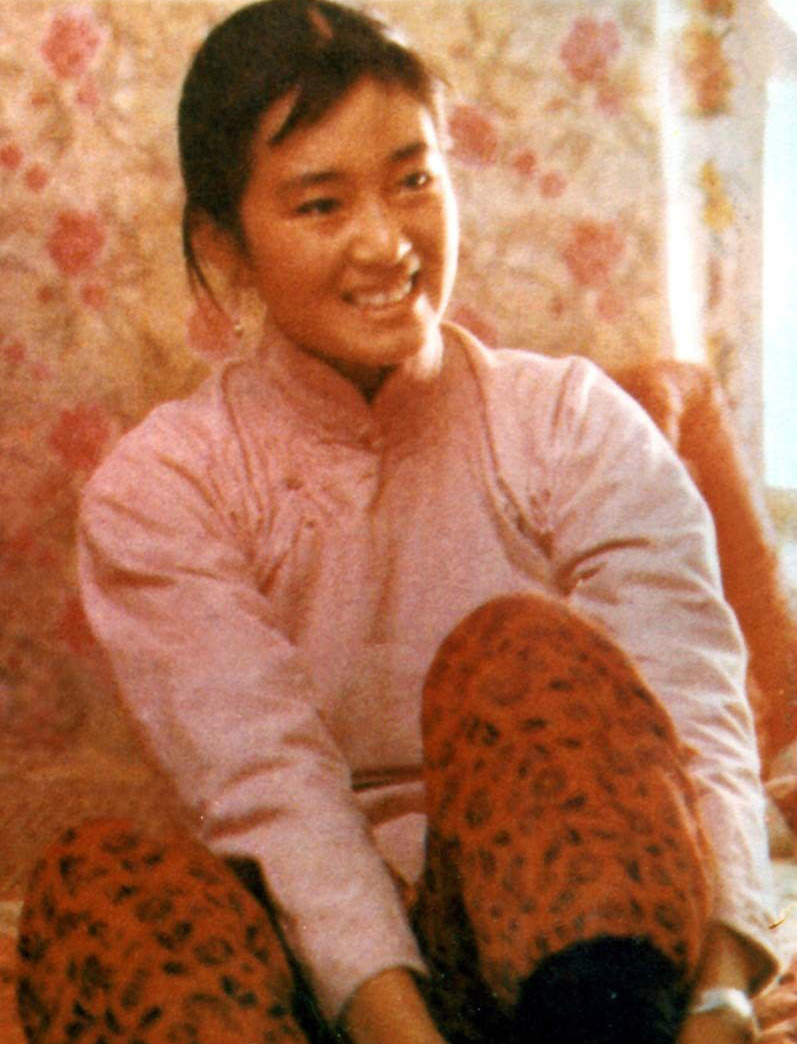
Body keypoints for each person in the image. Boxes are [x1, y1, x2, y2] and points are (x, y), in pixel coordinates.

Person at [15, 2, 778, 1043]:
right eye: (320, 205)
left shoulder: (569, 420)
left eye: (413, 181)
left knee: (518, 652)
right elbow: (268, 788)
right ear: (223, 244)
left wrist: (722, 997)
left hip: (574, 952)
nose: (385, 243)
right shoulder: (164, 485)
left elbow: (692, 712)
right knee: (94, 880)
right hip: (323, 979)